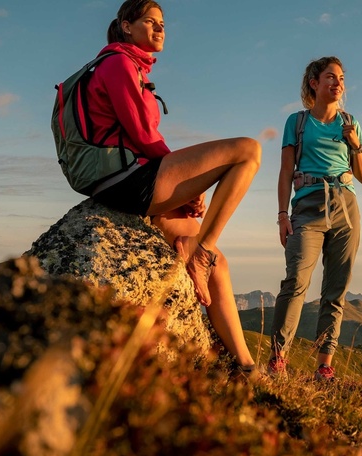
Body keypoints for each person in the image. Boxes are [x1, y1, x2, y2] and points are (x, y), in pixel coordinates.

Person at [86, 0, 259, 372]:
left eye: (163, 23)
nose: (160, 28)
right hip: (127, 181)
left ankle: (246, 367)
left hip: (130, 183)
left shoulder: (131, 67)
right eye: (150, 21)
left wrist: (181, 197)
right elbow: (144, 135)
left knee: (218, 264)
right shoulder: (117, 64)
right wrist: (191, 189)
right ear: (126, 26)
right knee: (248, 151)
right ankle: (200, 251)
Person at [268, 56, 362, 381]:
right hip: (308, 206)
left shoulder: (351, 123)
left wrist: (354, 144)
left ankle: (324, 366)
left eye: (341, 77)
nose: (338, 83)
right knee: (295, 281)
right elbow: (286, 172)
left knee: (336, 289)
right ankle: (277, 359)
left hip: (346, 207)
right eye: (330, 76)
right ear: (314, 83)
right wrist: (283, 214)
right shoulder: (297, 122)